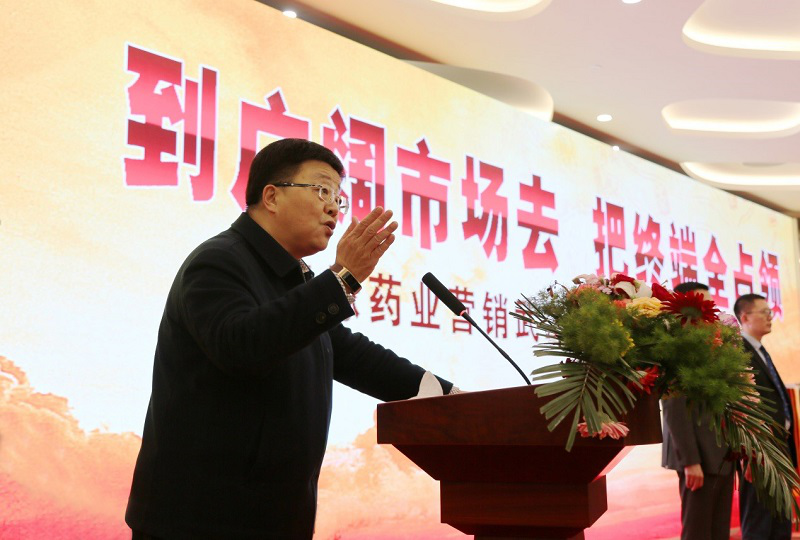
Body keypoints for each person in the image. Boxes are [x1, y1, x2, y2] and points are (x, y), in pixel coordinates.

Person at [125, 138, 456, 539]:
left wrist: (449, 397)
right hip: (199, 521)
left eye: (338, 198)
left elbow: (354, 356)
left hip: (273, 521)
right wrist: (343, 279)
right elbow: (242, 346)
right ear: (272, 197)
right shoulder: (218, 260)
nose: (334, 208)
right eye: (321, 190)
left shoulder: (292, 278)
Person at [661, 282, 734, 540]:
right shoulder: (675, 346)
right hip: (698, 457)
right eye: (702, 305)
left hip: (723, 453)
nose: (709, 311)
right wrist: (690, 460)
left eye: (710, 305)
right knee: (698, 532)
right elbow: (673, 408)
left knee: (719, 532)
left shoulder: (714, 344)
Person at [734, 293, 795, 540]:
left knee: (780, 520)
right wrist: (752, 449)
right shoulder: (739, 351)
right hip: (759, 449)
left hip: (779, 445)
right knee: (759, 521)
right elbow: (742, 404)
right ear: (745, 317)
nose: (770, 317)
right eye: (765, 312)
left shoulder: (759, 349)